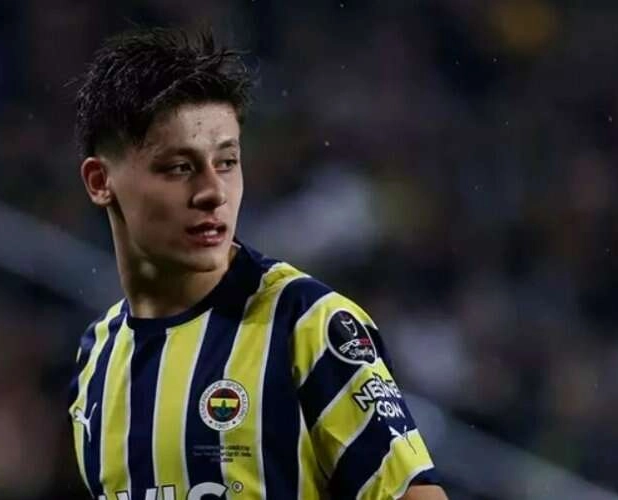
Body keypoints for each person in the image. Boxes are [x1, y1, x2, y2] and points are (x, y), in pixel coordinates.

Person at [69, 26, 448, 500]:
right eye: (180, 167)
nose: (213, 192)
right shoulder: (96, 360)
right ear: (100, 181)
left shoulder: (307, 324)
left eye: (227, 162)